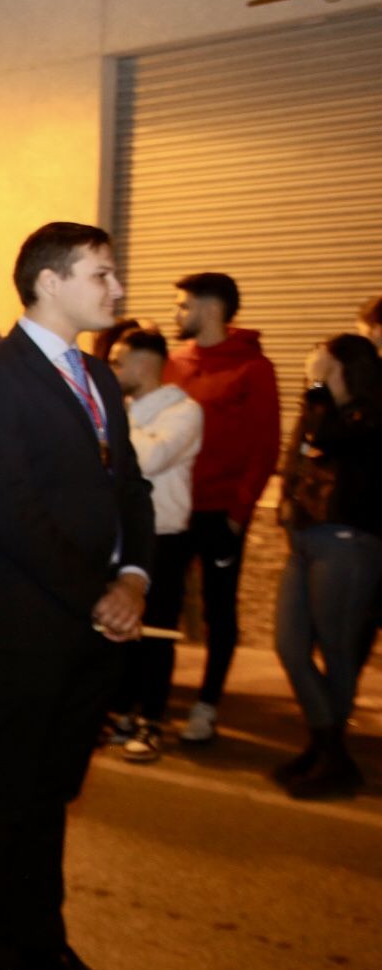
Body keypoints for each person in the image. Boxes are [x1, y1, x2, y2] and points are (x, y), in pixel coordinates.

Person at [0, 222, 154, 970]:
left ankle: (43, 941)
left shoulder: (96, 376)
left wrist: (134, 578)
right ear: (50, 281)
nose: (117, 290)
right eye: (101, 275)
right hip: (27, 621)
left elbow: (128, 486)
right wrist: (95, 592)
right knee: (7, 790)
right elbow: (9, 512)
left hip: (96, 619)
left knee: (52, 791)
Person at [162, 273, 280, 745]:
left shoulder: (253, 369)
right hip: (173, 511)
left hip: (220, 514)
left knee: (219, 611)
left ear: (210, 309)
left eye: (184, 305)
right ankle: (153, 701)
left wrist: (239, 512)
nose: (178, 314)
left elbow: (264, 445)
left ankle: (207, 704)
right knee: (161, 606)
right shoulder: (172, 363)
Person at [271, 335, 382, 800]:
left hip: (347, 540)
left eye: (322, 355)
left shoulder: (369, 414)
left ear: (344, 365)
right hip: (303, 537)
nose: (311, 358)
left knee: (337, 651)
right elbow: (298, 451)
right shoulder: (317, 404)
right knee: (290, 645)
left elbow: (332, 440)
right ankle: (325, 745)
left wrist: (319, 385)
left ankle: (331, 755)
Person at [106, 328, 203, 763]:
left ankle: (152, 719)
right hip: (121, 535)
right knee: (119, 626)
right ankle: (121, 712)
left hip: (165, 537)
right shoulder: (120, 411)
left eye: (117, 362)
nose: (111, 371)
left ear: (144, 365)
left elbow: (150, 459)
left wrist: (115, 427)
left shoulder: (184, 411)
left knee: (156, 631)